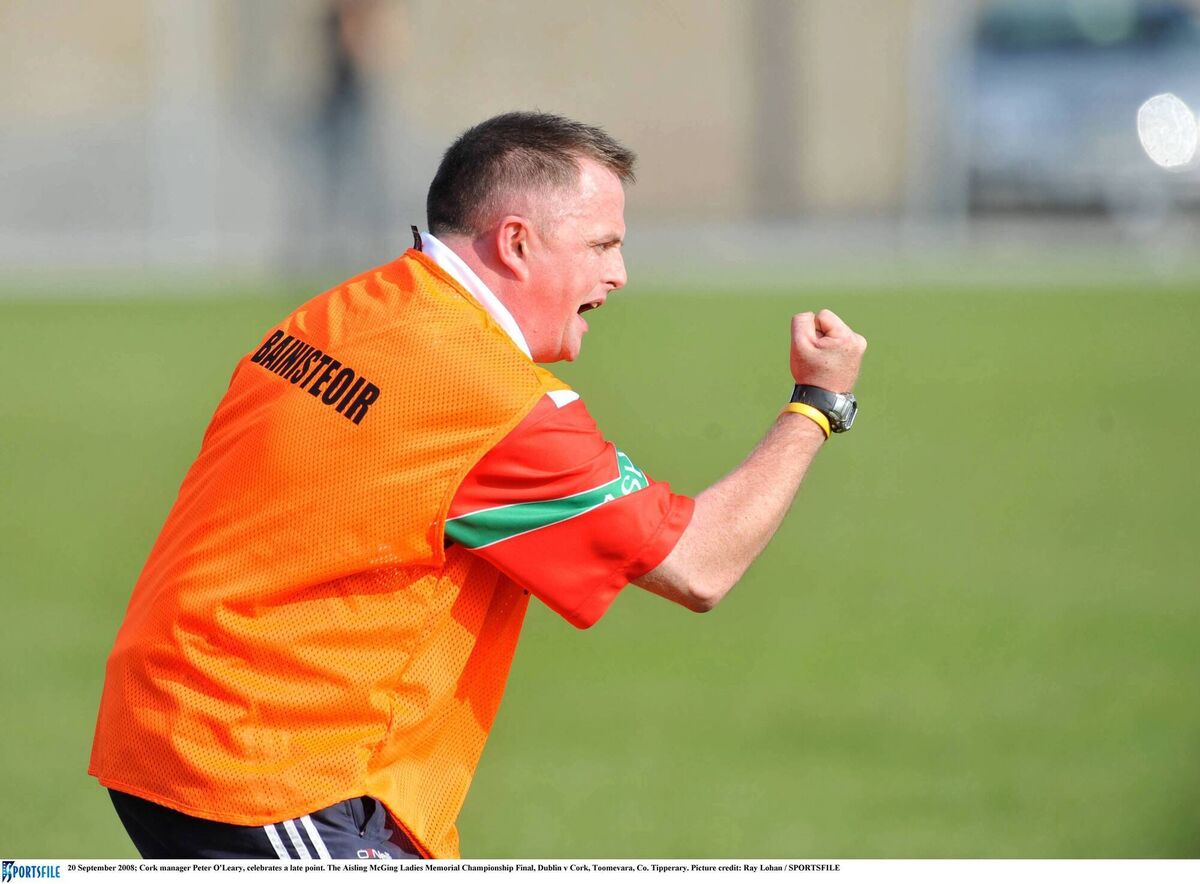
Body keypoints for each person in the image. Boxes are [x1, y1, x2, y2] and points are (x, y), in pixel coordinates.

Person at [89, 112, 867, 860]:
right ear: (517, 243)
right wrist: (817, 406)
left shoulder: (338, 314)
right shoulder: (488, 400)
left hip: (181, 720)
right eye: (603, 244)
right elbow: (700, 564)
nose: (619, 274)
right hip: (263, 766)